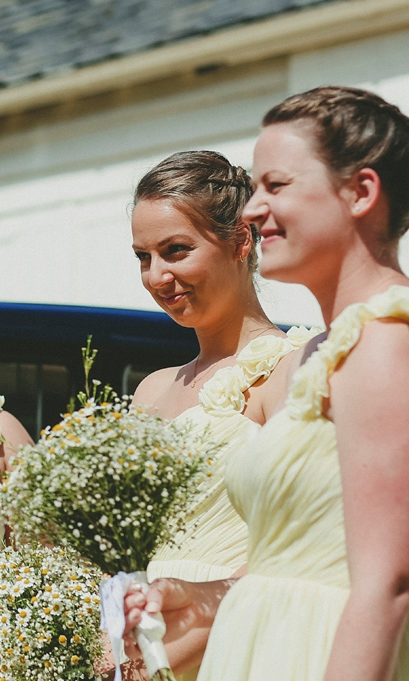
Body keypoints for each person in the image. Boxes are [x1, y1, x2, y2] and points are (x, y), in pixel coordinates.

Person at [124, 86, 409, 681]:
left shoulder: (387, 339)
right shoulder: (320, 352)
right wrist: (200, 597)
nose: (253, 211)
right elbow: (301, 554)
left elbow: (389, 583)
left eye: (275, 186)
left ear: (362, 193)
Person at [127, 150, 319, 677]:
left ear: (241, 241)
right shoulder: (151, 390)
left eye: (176, 250)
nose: (157, 276)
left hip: (233, 637)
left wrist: (171, 654)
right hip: (136, 633)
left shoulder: (293, 369)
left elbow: (297, 538)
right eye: (144, 257)